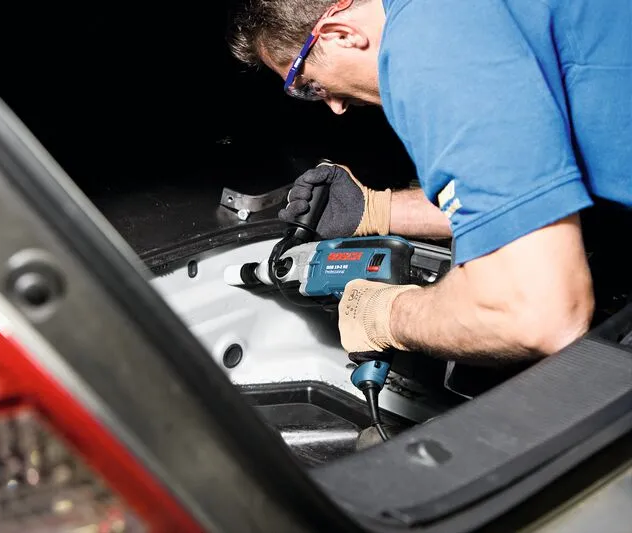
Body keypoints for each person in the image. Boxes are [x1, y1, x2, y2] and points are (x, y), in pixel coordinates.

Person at [227, 0, 631, 362]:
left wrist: (385, 315)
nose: (333, 105)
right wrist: (378, 210)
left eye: (308, 86)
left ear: (340, 34)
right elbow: (537, 192)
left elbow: (538, 313)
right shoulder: (452, 16)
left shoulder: (426, 46)